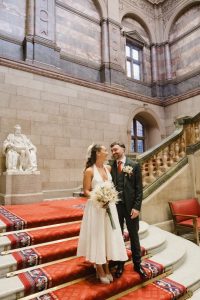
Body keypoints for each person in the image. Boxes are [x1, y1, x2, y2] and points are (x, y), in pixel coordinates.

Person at [77, 144, 128, 284]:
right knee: (98, 236)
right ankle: (99, 267)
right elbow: (86, 190)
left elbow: (111, 186)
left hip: (109, 207)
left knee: (107, 236)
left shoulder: (108, 168)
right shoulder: (89, 171)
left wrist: (109, 197)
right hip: (96, 208)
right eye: (105, 150)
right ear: (98, 153)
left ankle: (106, 264)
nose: (107, 152)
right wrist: (99, 197)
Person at [110, 141, 148, 279]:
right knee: (118, 236)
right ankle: (120, 264)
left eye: (115, 150)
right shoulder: (111, 166)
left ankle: (137, 265)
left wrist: (137, 207)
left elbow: (139, 189)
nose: (113, 152)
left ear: (123, 149)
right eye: (112, 151)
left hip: (131, 207)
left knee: (134, 235)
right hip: (116, 207)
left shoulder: (134, 165)